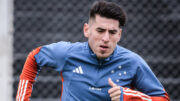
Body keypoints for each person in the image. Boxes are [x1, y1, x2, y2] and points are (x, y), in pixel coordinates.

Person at [16, 1, 170, 101]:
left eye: (112, 32)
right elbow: (35, 57)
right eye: (100, 30)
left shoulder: (132, 62)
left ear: (119, 35)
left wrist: (130, 96)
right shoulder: (67, 53)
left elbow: (163, 99)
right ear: (86, 30)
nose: (105, 38)